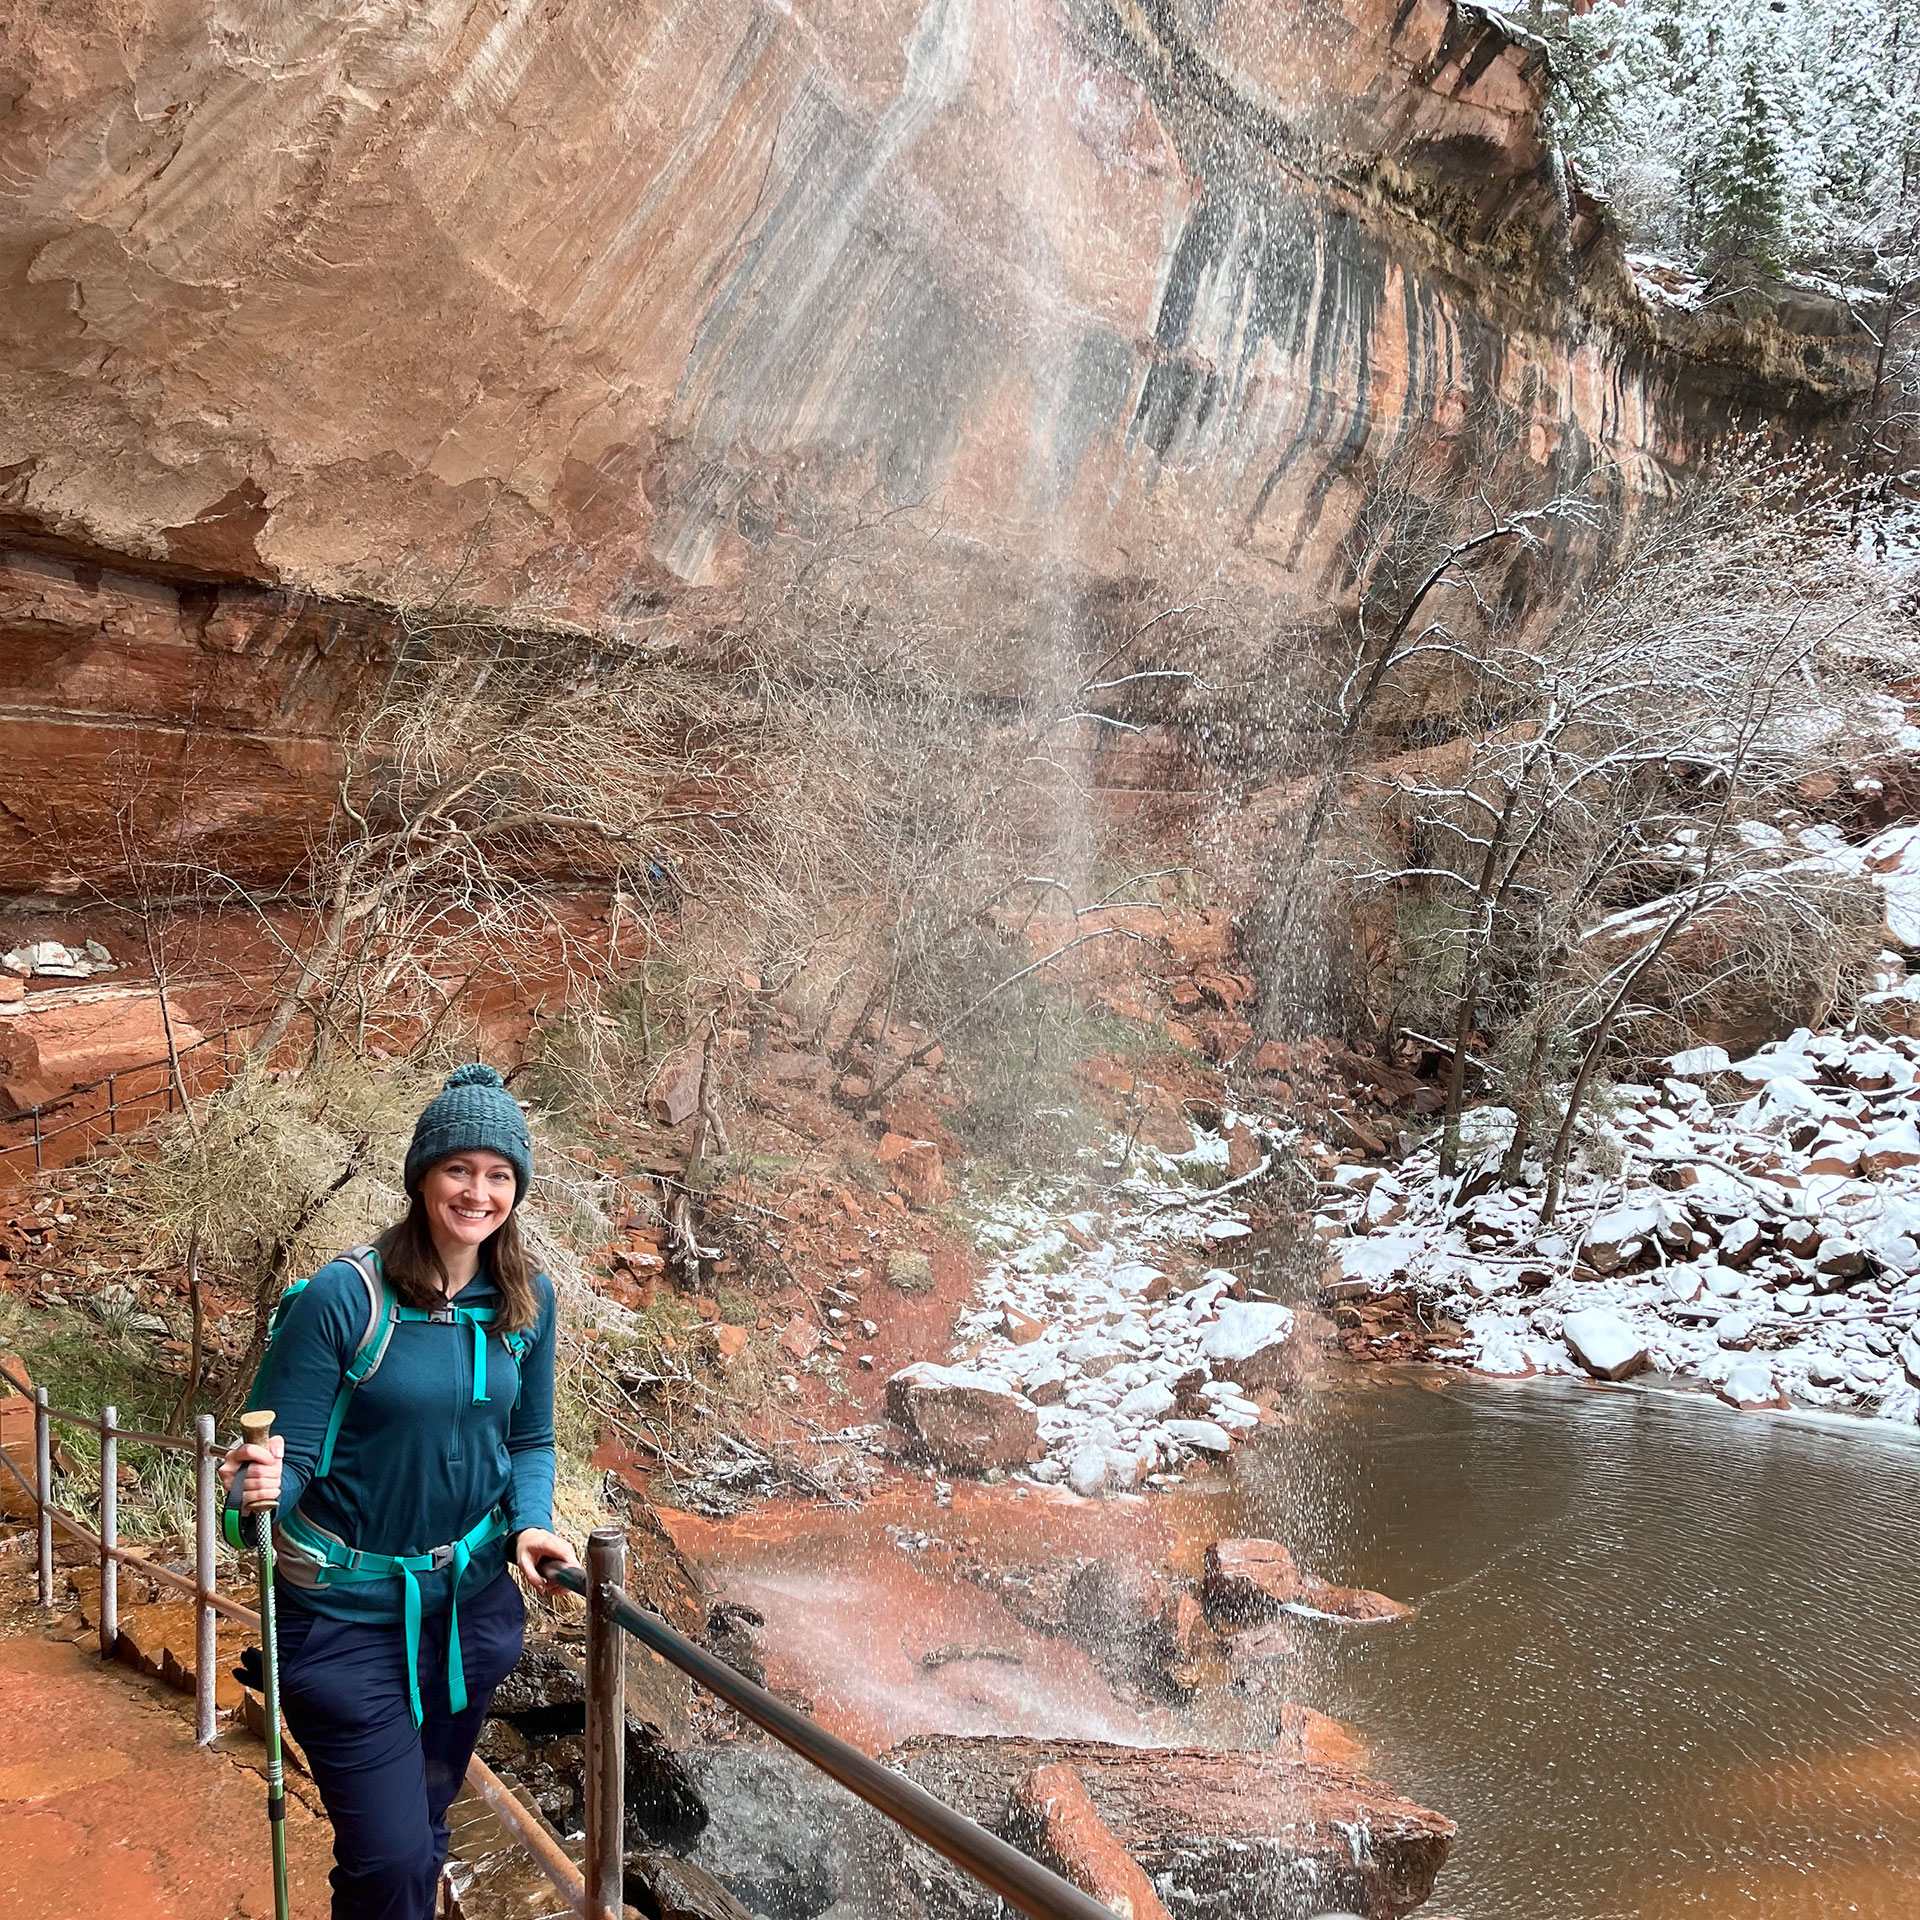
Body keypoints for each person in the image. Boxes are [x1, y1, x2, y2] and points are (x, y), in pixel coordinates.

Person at [221, 1062, 580, 1920]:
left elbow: (529, 1439)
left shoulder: (527, 1300)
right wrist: (256, 1488)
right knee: (393, 1859)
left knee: (424, 1832)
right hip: (344, 1623)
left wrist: (530, 1524)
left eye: (499, 1175)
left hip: (470, 1615)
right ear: (423, 1175)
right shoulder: (345, 1298)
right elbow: (286, 1463)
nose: (478, 1193)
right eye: (459, 1168)